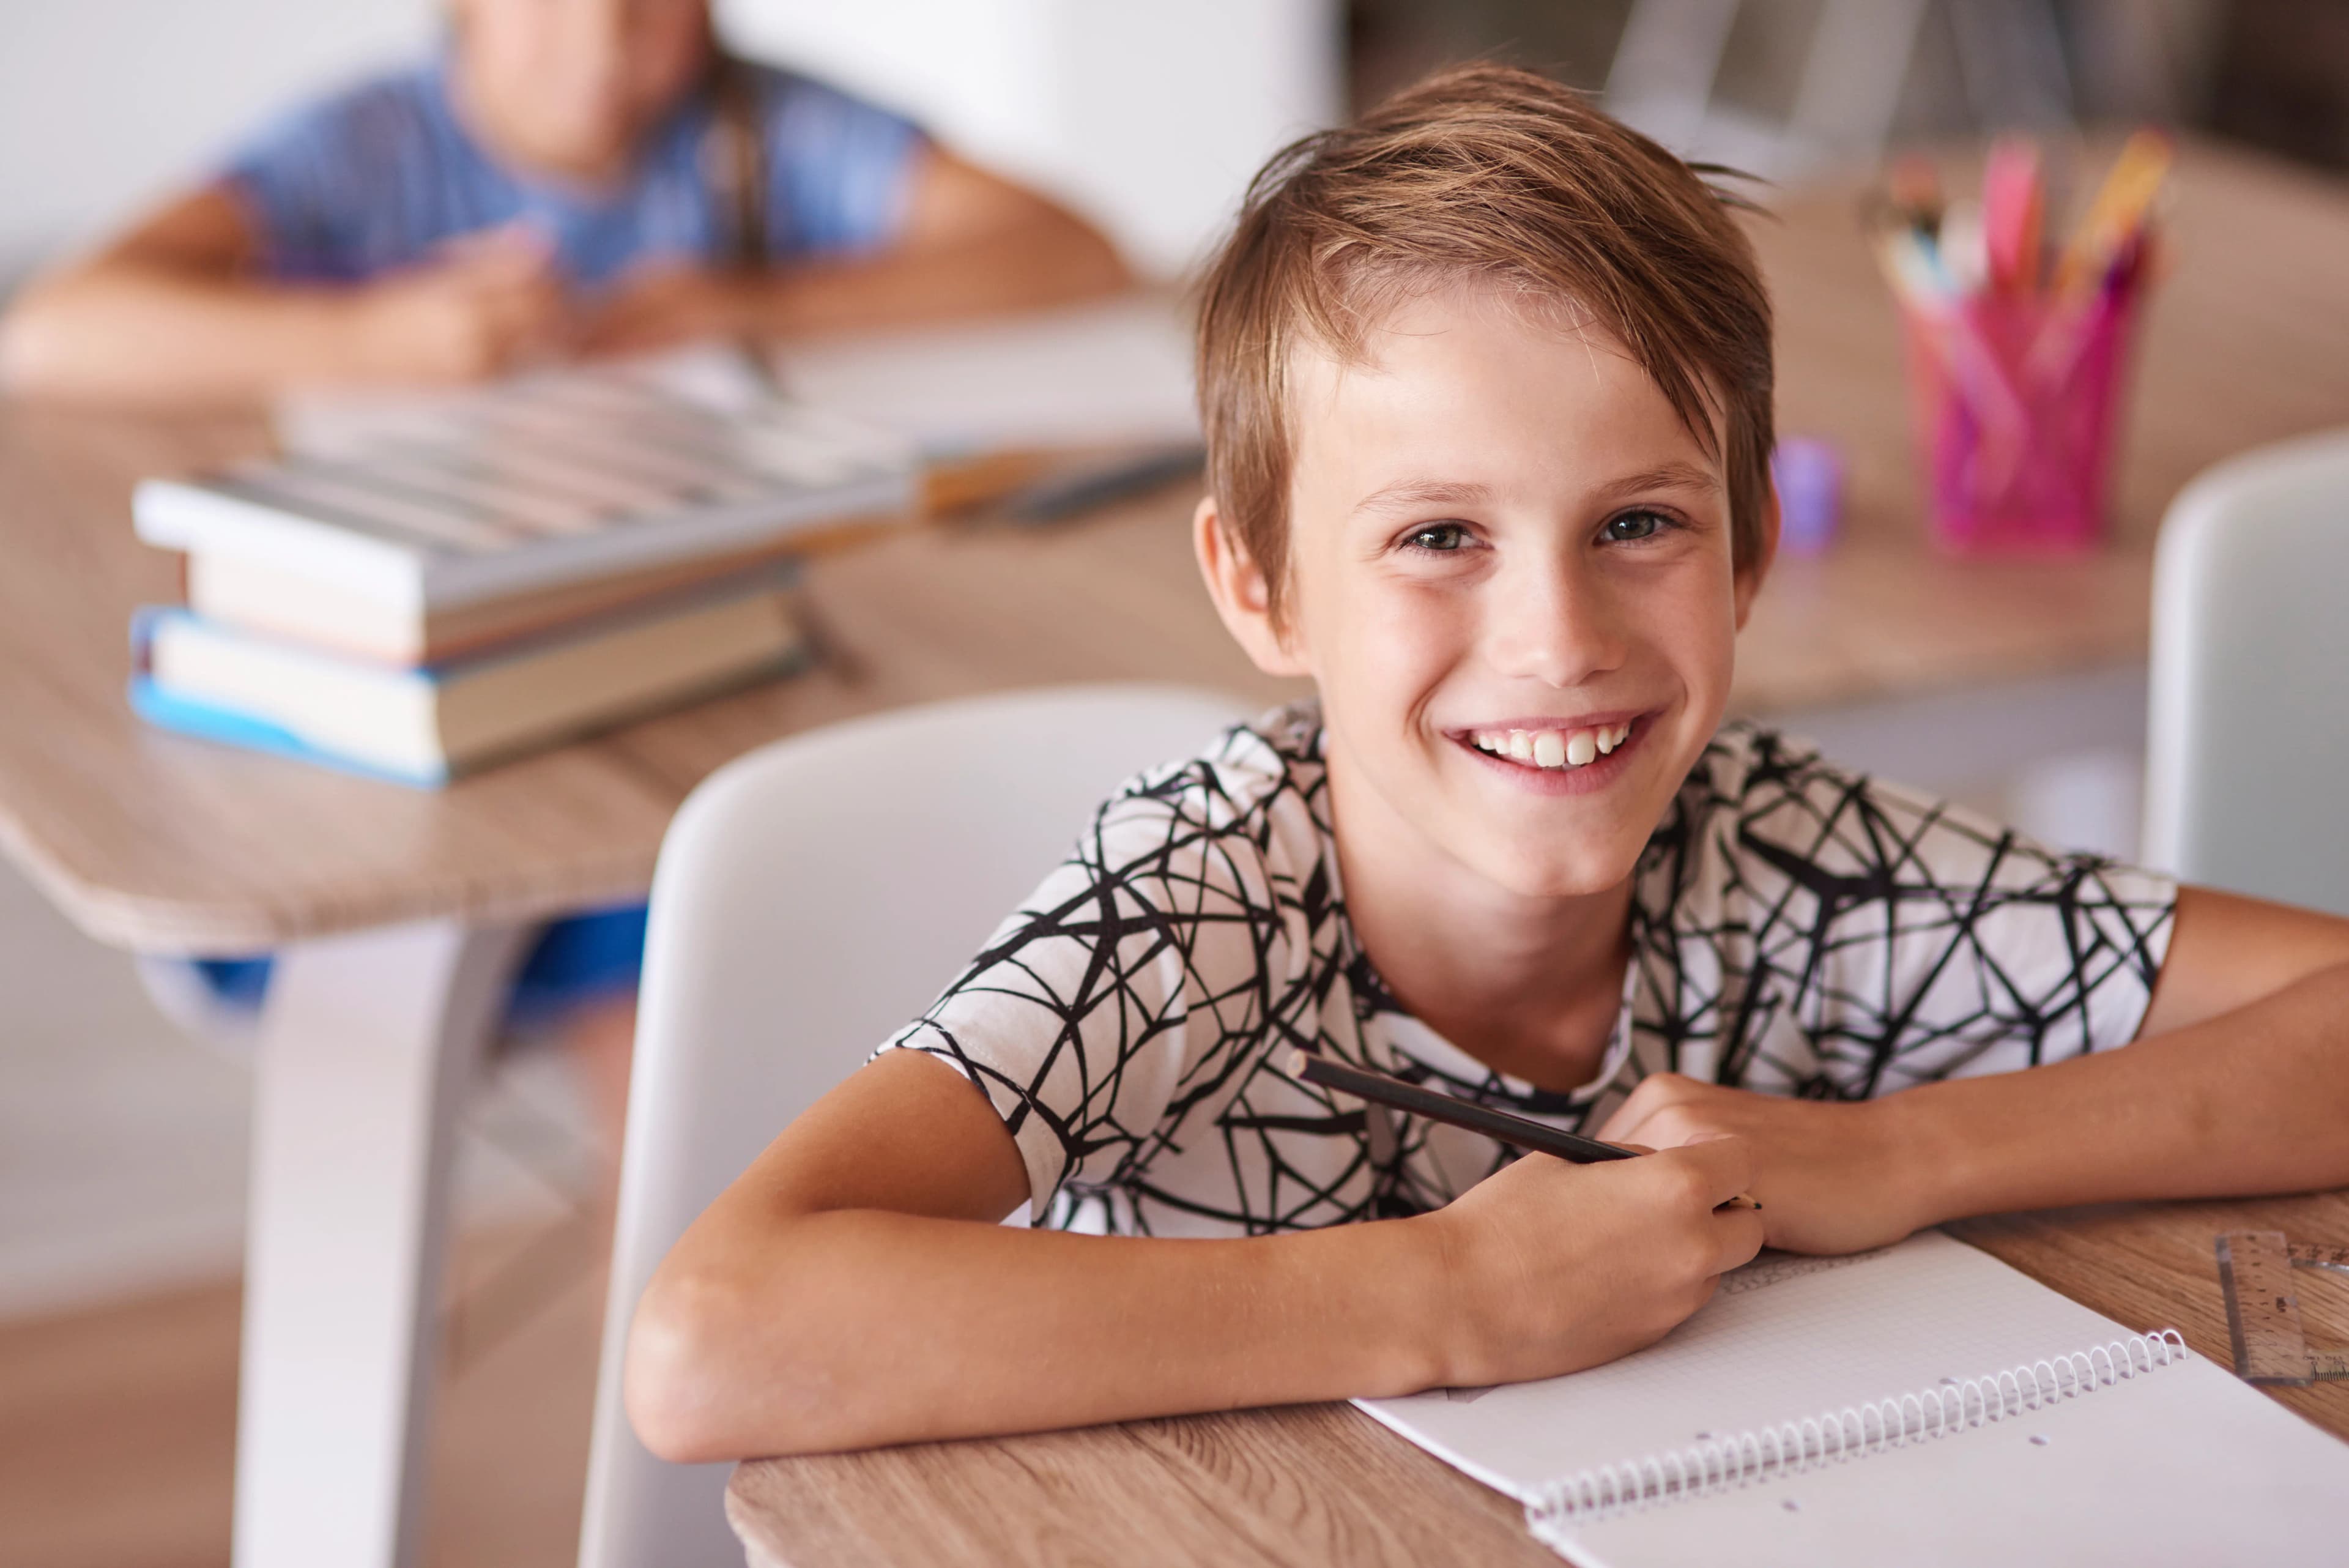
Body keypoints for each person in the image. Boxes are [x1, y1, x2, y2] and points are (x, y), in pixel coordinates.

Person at [615, 63, 2349, 1461]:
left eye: (1640, 523)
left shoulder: (1785, 851)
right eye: (1440, 534)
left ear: (1749, 551)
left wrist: (1904, 1154)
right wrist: (1446, 1292)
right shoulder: (1201, 905)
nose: (1558, 639)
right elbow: (712, 1339)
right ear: (1261, 586)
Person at [0, 0, 1129, 1105]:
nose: (601, 43)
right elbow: (53, 330)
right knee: (685, 955)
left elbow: (1073, 247)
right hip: (393, 773)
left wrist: (753, 301)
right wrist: (370, 336)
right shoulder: (367, 148)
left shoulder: (764, 131)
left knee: (751, 913)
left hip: (698, 702)